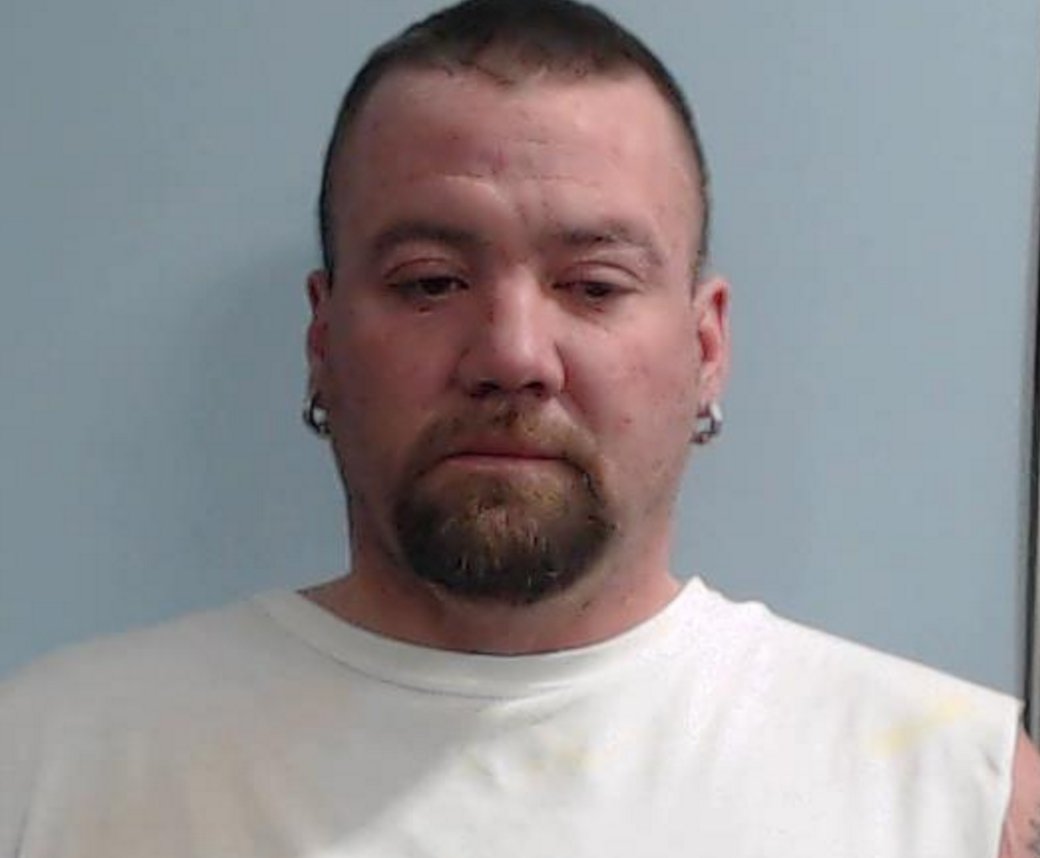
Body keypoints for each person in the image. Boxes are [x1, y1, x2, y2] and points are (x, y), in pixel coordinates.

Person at [1, 0, 1037, 854]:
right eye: (431, 282)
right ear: (322, 338)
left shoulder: (951, 797)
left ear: (705, 346)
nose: (512, 354)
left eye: (593, 284)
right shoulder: (47, 767)